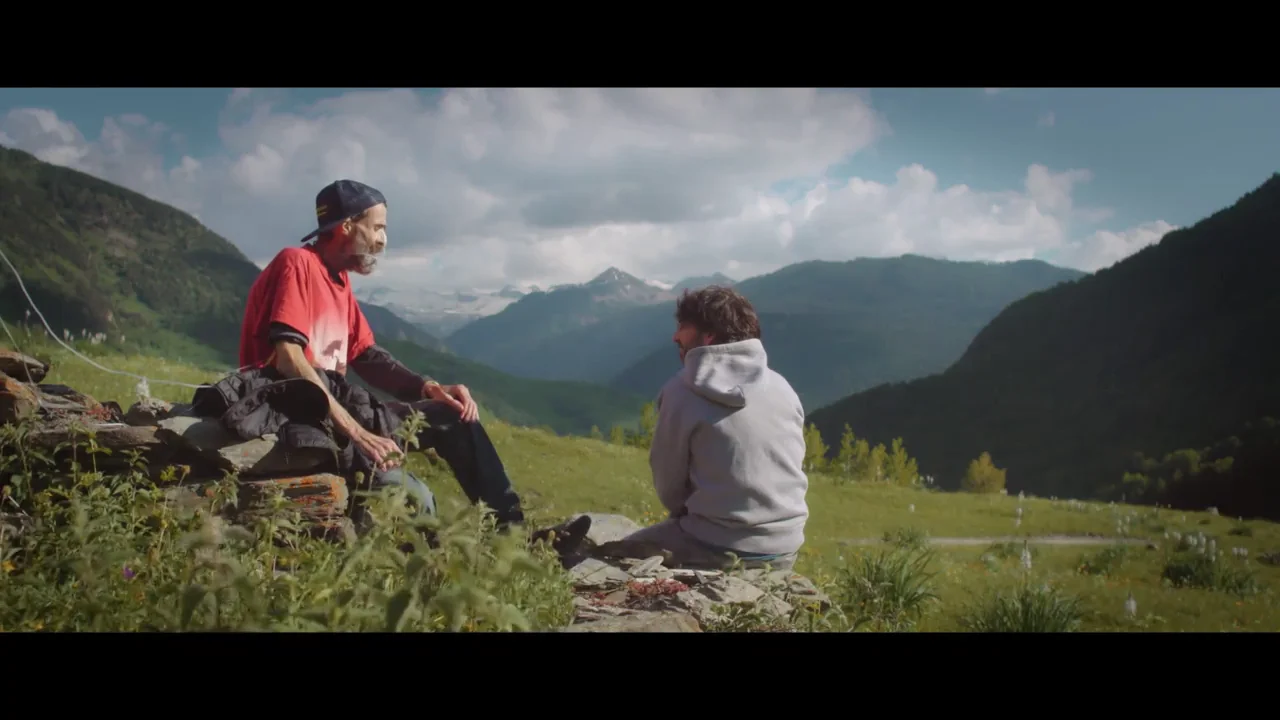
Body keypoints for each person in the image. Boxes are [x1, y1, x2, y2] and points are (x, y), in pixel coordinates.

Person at [233, 178, 530, 533]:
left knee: (452, 416)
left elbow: (367, 355)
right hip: (299, 420)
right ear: (346, 226)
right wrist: (358, 432)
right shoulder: (297, 264)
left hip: (339, 415)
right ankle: (432, 573)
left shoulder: (338, 280)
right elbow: (288, 359)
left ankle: (515, 537)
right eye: (377, 228)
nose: (382, 240)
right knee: (413, 496)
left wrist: (429, 388)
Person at [604, 285, 809, 571]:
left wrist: (692, 517)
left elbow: (669, 484)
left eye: (683, 327)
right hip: (786, 548)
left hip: (716, 545)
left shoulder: (681, 391)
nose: (675, 336)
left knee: (607, 559)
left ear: (709, 334)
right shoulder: (782, 387)